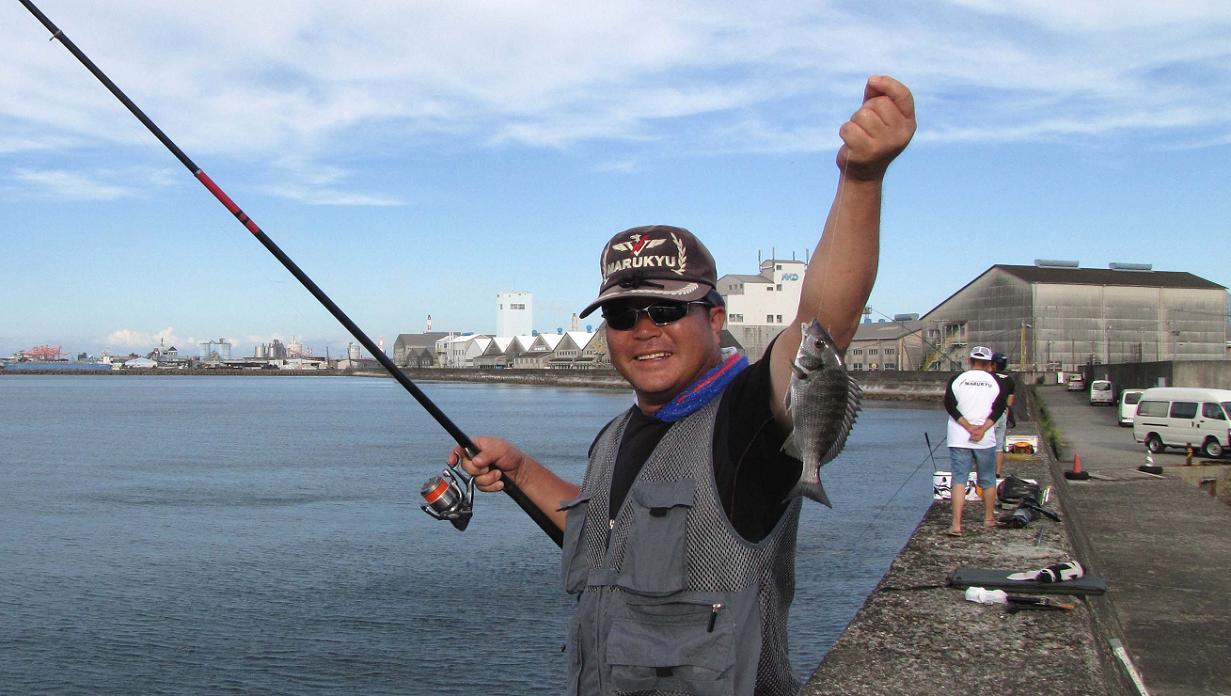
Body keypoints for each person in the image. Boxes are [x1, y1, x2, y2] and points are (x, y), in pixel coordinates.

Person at [447, 76, 915, 695]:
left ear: (715, 319)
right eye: (622, 315)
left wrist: (861, 179)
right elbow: (605, 534)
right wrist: (522, 469)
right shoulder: (616, 434)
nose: (644, 329)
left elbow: (821, 327)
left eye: (667, 310)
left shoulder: (746, 423)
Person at [943, 346, 1009, 536]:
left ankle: (956, 524)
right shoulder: (996, 382)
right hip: (985, 439)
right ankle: (988, 518)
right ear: (990, 364)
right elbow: (999, 409)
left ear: (970, 361)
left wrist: (968, 427)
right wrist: (982, 429)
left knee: (959, 479)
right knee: (987, 479)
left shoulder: (957, 379)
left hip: (959, 437)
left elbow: (950, 405)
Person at [989, 351, 1017, 477]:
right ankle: (998, 473)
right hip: (1002, 415)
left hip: (989, 415)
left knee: (984, 446)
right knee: (999, 447)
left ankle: (986, 473)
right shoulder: (1010, 380)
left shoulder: (988, 378)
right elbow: (1009, 401)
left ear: (993, 364)